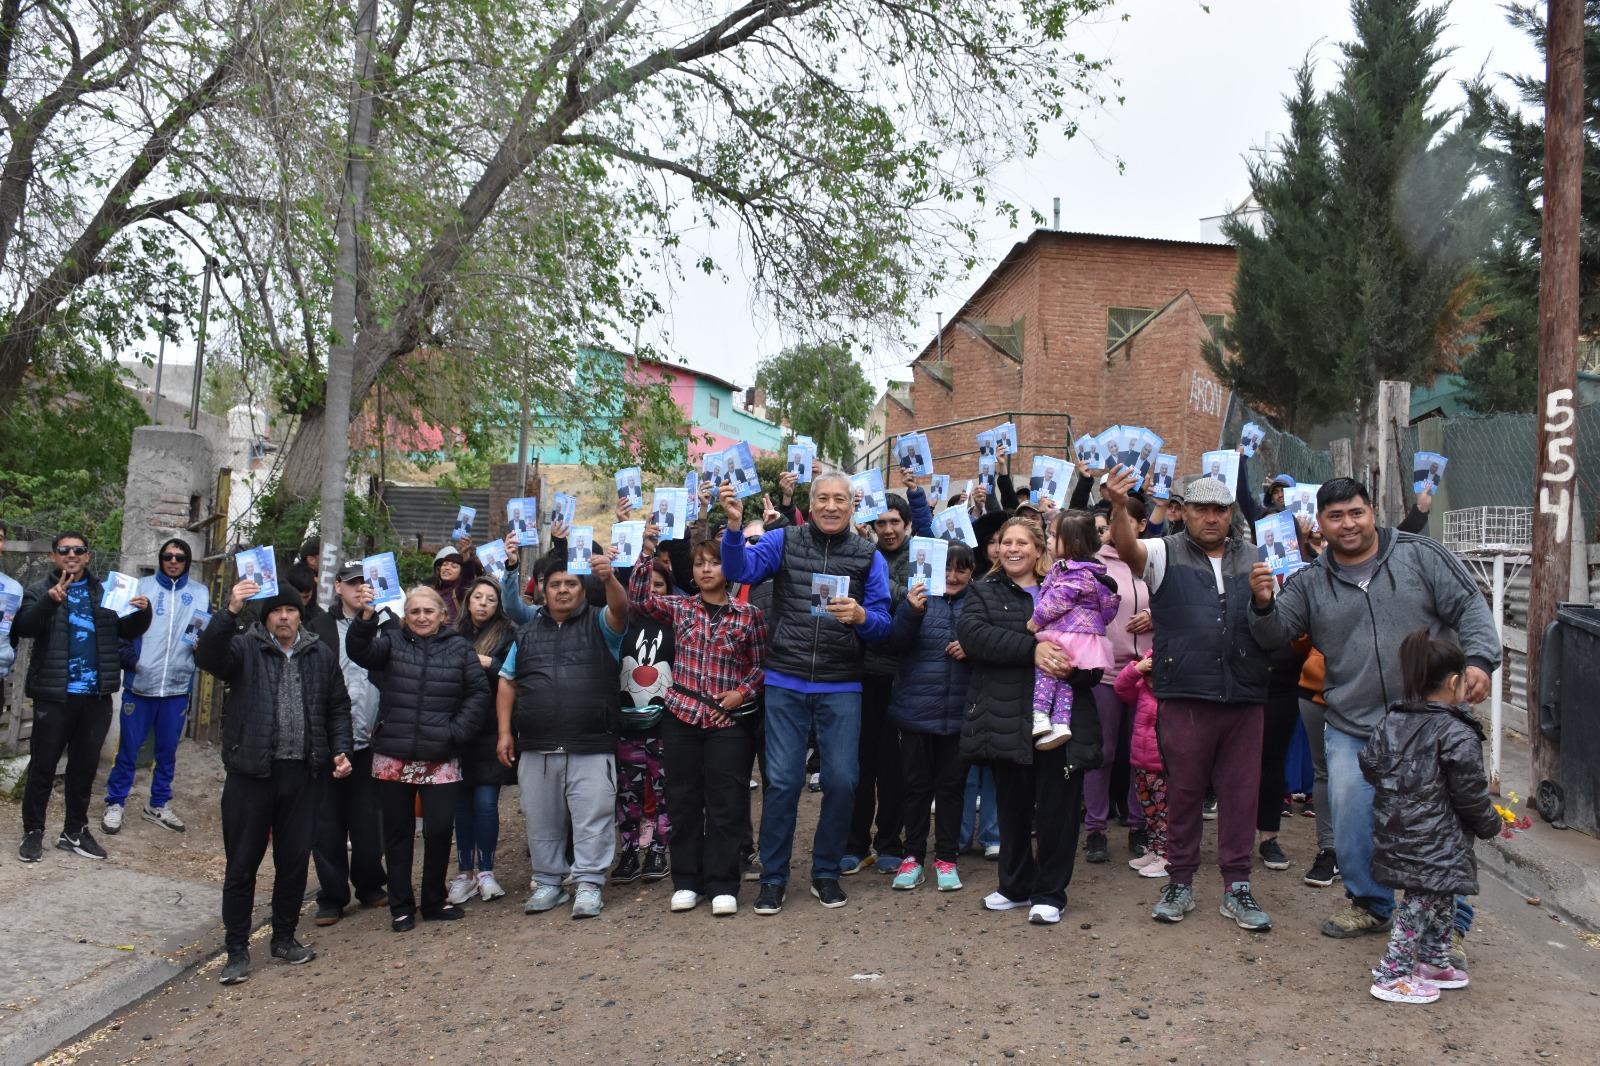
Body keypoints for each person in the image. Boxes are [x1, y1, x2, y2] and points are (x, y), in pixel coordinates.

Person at [1247, 478, 1499, 941]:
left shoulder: (1420, 555)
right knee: (1352, 815)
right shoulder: (1310, 582)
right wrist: (1262, 605)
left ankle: (1451, 925)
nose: (1348, 524)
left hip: (1430, 723)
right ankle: (1370, 903)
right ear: (1318, 523)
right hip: (1353, 722)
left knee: (1438, 825)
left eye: (1356, 513)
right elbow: (1274, 635)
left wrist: (1480, 660)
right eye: (1336, 516)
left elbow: (1469, 605)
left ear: (1372, 511)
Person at [1103, 469, 1274, 931]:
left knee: (1241, 796)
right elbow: (1128, 550)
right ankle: (1179, 881)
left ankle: (1237, 886)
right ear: (1184, 512)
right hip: (1184, 694)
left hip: (1244, 693)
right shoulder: (1164, 551)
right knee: (1184, 793)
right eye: (1201, 509)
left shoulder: (1257, 557)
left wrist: (1266, 601)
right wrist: (1120, 508)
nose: (1212, 517)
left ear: (1231, 513)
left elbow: (1275, 623)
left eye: (1220, 509)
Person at [718, 474, 892, 915]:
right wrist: (735, 528)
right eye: (823, 499)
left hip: (842, 684)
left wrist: (861, 616)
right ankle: (774, 878)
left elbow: (885, 625)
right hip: (786, 680)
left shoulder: (869, 556)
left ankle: (826, 872)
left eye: (840, 500)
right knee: (783, 782)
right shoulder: (784, 540)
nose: (831, 507)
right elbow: (739, 572)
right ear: (811, 504)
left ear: (854, 506)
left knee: (842, 780)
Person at [194, 578, 353, 984]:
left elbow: (337, 705)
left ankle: (283, 938)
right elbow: (209, 657)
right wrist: (229, 610)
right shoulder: (246, 647)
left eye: (291, 610)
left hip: (303, 773)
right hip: (250, 773)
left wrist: (340, 749)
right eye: (276, 611)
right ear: (265, 617)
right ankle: (236, 950)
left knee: (294, 862)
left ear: (301, 614)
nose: (284, 617)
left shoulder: (319, 652)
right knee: (242, 865)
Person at [959, 518, 1102, 925]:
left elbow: (1093, 645)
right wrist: (1033, 650)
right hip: (1005, 717)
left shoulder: (1068, 588)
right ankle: (1015, 886)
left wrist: (1072, 670)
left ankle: (1050, 893)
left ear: (1040, 549)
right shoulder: (984, 592)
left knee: (1058, 809)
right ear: (996, 549)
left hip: (1063, 720)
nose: (1013, 549)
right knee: (1012, 807)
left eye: (1023, 542)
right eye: (1006, 542)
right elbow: (973, 636)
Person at [1359, 630, 1502, 1004]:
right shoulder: (1457, 731)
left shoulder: (1393, 720)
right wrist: (1491, 824)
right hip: (1436, 837)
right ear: (1455, 682)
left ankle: (1435, 962)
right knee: (1421, 900)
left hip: (1397, 828)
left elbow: (1370, 764)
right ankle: (1391, 973)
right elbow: (1470, 792)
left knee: (1442, 894)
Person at [630, 531, 766, 916]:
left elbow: (758, 666)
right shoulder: (680, 608)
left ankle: (723, 882)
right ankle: (687, 880)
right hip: (682, 715)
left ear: (730, 568)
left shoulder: (749, 615)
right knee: (684, 800)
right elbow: (640, 600)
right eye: (700, 563)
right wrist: (646, 551)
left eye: (715, 562)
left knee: (726, 800)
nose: (707, 569)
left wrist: (741, 693)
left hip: (728, 721)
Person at [496, 544, 629, 919]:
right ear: (543, 590)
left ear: (583, 589)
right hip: (536, 746)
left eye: (571, 583)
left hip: (590, 742)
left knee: (593, 817)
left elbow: (621, 609)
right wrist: (505, 733)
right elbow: (507, 683)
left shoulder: (602, 625)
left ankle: (588, 884)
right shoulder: (525, 633)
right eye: (555, 584)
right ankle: (549, 882)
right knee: (541, 819)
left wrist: (610, 578)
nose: (563, 590)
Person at [347, 586, 491, 931]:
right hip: (393, 756)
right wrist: (366, 617)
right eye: (415, 612)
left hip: (441, 756)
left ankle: (433, 900)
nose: (422, 617)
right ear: (405, 616)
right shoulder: (391, 642)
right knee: (398, 834)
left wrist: (455, 732)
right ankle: (401, 907)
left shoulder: (458, 646)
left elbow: (478, 692)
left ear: (443, 615)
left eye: (429, 611)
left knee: (440, 829)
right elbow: (360, 650)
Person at [15, 532, 152, 863]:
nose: (72, 554)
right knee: (43, 768)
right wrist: (50, 600)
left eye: (78, 550)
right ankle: (33, 832)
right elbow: (24, 627)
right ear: (54, 557)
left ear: (88, 556)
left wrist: (143, 612)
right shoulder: (38, 590)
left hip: (96, 697)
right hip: (54, 697)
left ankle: (74, 831)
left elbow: (128, 632)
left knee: (84, 770)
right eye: (64, 550)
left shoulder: (106, 592)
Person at [844, 477, 935, 878]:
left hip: (904, 677)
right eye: (880, 523)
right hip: (862, 675)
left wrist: (887, 589)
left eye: (895, 521)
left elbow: (921, 594)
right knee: (858, 765)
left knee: (895, 768)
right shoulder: (862, 555)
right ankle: (855, 843)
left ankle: (890, 842)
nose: (888, 529)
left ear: (907, 524)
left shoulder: (918, 555)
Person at [883, 541, 976, 891]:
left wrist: (974, 647)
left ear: (971, 572)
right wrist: (909, 611)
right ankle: (912, 857)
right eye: (947, 568)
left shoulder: (979, 602)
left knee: (952, 789)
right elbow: (895, 642)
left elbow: (994, 644)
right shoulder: (917, 598)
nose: (953, 576)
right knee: (917, 788)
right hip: (916, 712)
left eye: (961, 569)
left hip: (960, 713)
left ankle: (947, 859)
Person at [103, 538, 208, 835]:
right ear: (160, 558)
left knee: (167, 752)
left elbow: (199, 636)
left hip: (176, 686)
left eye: (179, 557)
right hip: (141, 684)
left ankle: (159, 804)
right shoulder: (140, 587)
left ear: (188, 561)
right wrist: (133, 662)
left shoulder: (200, 593)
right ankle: (116, 802)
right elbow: (120, 633)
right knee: (128, 749)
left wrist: (200, 653)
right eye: (167, 556)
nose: (173, 561)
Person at [308, 564, 393, 926]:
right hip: (327, 740)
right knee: (325, 823)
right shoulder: (318, 626)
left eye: (368, 583)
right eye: (355, 583)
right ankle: (331, 895)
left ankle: (371, 884)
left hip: (373, 736)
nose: (362, 589)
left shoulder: (389, 623)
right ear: (339, 586)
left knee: (369, 821)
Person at [1083, 497, 1153, 864]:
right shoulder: (1095, 564)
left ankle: (1139, 826)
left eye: (1124, 520)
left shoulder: (1156, 560)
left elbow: (1177, 603)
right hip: (1106, 673)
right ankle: (1095, 830)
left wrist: (1154, 616)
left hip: (1147, 674)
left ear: (1141, 526)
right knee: (1103, 754)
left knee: (1140, 756)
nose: (1114, 528)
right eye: (1112, 520)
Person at [446, 576, 523, 907]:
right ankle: (464, 873)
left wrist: (486, 662)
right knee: (461, 805)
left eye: (491, 599)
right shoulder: (452, 634)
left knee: (486, 803)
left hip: (493, 727)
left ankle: (487, 871)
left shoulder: (508, 634)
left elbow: (512, 675)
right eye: (478, 597)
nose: (483, 604)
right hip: (458, 728)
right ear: (467, 601)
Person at [1029, 511, 1118, 751]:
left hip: (1067, 631)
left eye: (1054, 535)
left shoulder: (1073, 570)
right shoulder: (1094, 571)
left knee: (1047, 670)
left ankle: (1039, 714)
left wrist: (1036, 619)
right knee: (1064, 678)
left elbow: (1060, 599)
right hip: (1083, 636)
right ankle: (1060, 722)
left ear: (1074, 543)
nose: (1048, 540)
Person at [613, 554, 676, 886]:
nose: (652, 592)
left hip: (664, 727)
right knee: (628, 793)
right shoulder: (620, 621)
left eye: (659, 586)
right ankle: (627, 852)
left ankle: (657, 851)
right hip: (627, 727)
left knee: (664, 792)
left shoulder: (676, 623)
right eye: (646, 585)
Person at [1116, 654, 1169, 878]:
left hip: (1164, 767)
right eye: (1148, 675)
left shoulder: (1172, 698)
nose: (1151, 681)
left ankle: (1168, 856)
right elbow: (1120, 686)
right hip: (1141, 763)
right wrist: (1137, 668)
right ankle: (1155, 850)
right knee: (1149, 812)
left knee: (1165, 814)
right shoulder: (1140, 692)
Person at [425, 543, 483, 626]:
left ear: (461, 572)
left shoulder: (460, 590)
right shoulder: (433, 591)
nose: (447, 568)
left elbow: (468, 576)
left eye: (454, 566)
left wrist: (466, 553)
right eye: (444, 565)